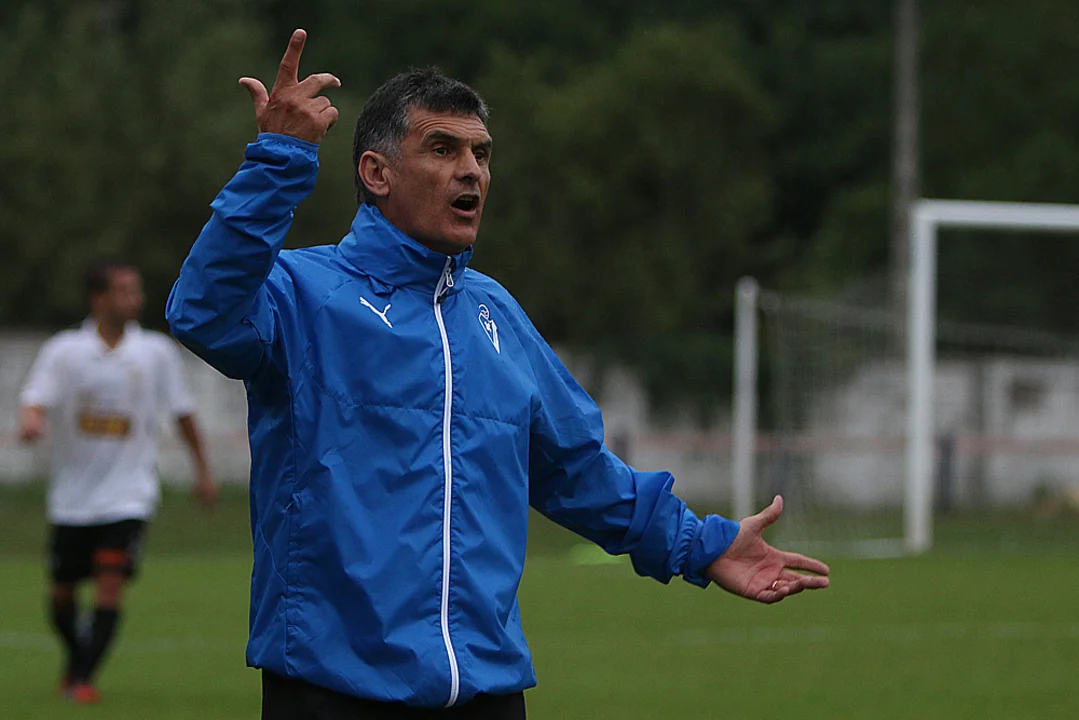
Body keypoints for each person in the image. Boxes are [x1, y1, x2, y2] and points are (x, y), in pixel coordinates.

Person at [167, 29, 830, 720]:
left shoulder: (495, 313)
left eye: (480, 154)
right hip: (331, 688)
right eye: (442, 149)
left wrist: (701, 547)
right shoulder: (304, 294)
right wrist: (278, 159)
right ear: (376, 173)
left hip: (485, 688)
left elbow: (577, 471)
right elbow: (203, 313)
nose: (471, 172)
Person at [19, 259, 218, 705]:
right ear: (99, 298)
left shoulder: (155, 352)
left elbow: (183, 414)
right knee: (61, 597)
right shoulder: (65, 350)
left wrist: (203, 470)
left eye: (136, 289)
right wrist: (31, 422)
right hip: (72, 498)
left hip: (128, 494)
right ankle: (77, 662)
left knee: (110, 583)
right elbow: (35, 399)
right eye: (125, 290)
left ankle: (82, 682)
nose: (136, 298)